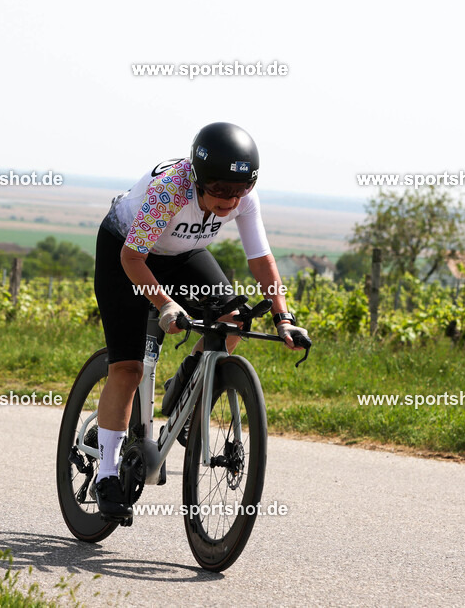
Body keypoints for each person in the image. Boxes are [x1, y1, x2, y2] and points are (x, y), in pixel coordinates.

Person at [92, 122, 309, 522]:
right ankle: (105, 476)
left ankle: (190, 384)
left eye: (238, 190)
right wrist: (164, 304)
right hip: (127, 253)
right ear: (198, 177)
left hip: (182, 254)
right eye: (219, 189)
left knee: (234, 318)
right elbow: (132, 259)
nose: (229, 200)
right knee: (128, 367)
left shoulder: (244, 197)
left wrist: (284, 317)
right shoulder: (172, 189)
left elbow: (260, 259)